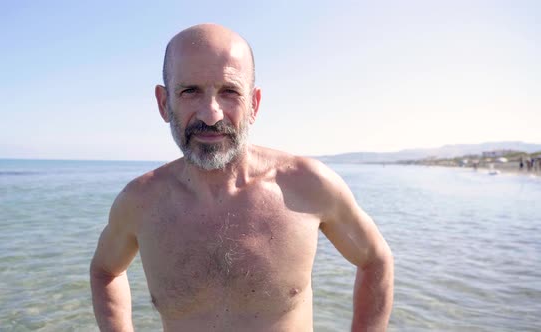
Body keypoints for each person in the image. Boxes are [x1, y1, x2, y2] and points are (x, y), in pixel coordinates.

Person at [90, 23, 394, 332]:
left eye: (229, 92)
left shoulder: (309, 185)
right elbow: (105, 271)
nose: (211, 115)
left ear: (254, 104)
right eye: (190, 91)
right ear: (164, 103)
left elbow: (375, 259)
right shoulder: (141, 203)